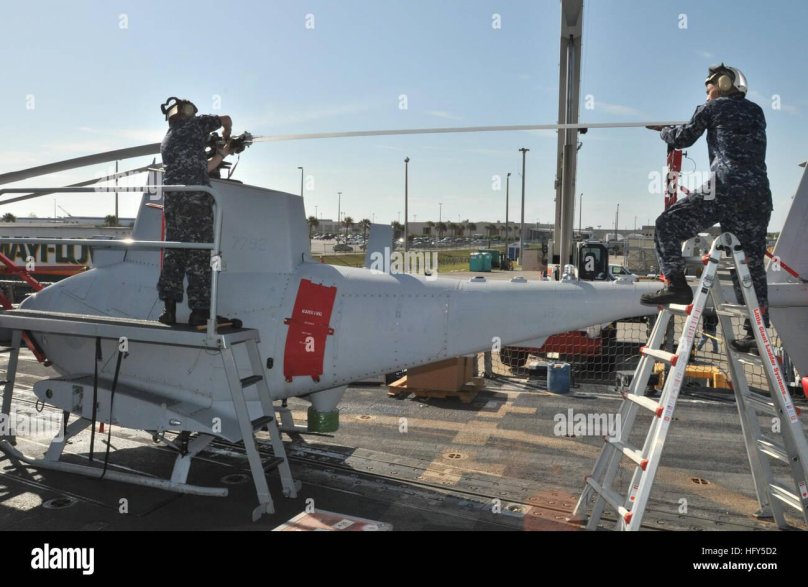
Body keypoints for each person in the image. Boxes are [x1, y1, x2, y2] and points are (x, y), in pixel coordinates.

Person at [641, 64, 772, 353]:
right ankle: (756, 330)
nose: (707, 92)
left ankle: (676, 285)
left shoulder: (712, 108)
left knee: (666, 225)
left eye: (708, 87)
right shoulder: (757, 112)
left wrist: (665, 132)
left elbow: (683, 138)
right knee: (748, 263)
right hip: (758, 195)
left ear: (723, 84)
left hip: (725, 188)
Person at [157, 96, 235, 327]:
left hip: (173, 202)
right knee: (200, 255)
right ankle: (200, 312)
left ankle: (168, 310)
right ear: (188, 112)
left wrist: (222, 153)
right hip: (196, 202)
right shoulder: (196, 125)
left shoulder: (167, 139)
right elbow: (226, 119)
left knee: (174, 253)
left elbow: (203, 168)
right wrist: (227, 135)